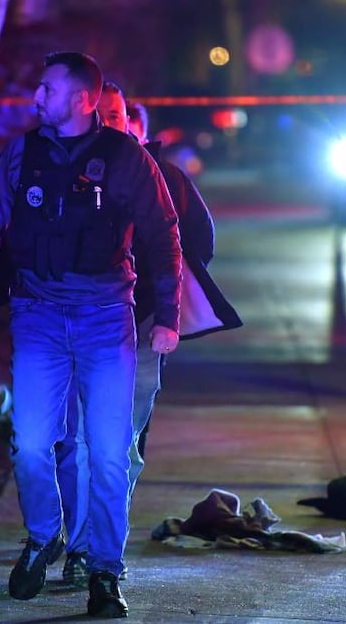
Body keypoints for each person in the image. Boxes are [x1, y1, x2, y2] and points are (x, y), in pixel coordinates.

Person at [0, 52, 182, 619]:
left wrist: (167, 315)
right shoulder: (22, 154)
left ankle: (103, 571)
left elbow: (162, 234)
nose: (36, 98)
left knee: (109, 453)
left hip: (105, 318)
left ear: (80, 99)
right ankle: (44, 535)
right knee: (30, 445)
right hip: (39, 316)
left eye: (46, 89)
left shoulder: (126, 159)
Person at [59, 82, 242, 588]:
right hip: (72, 328)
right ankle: (81, 547)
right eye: (101, 114)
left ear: (132, 121)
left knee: (118, 444)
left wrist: (165, 293)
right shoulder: (57, 172)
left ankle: (100, 547)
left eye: (116, 114)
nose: (110, 122)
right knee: (75, 441)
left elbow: (200, 240)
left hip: (136, 332)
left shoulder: (166, 180)